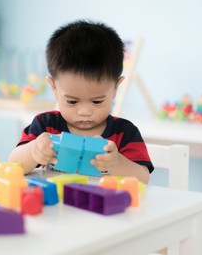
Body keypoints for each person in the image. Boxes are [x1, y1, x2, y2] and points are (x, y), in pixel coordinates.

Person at [9, 20, 153, 183]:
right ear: (54, 88)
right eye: (72, 101)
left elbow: (143, 178)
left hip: (102, 206)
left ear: (115, 89)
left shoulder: (124, 132)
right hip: (58, 205)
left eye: (97, 101)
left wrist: (116, 163)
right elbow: (14, 163)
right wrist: (33, 151)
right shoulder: (46, 125)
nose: (84, 111)